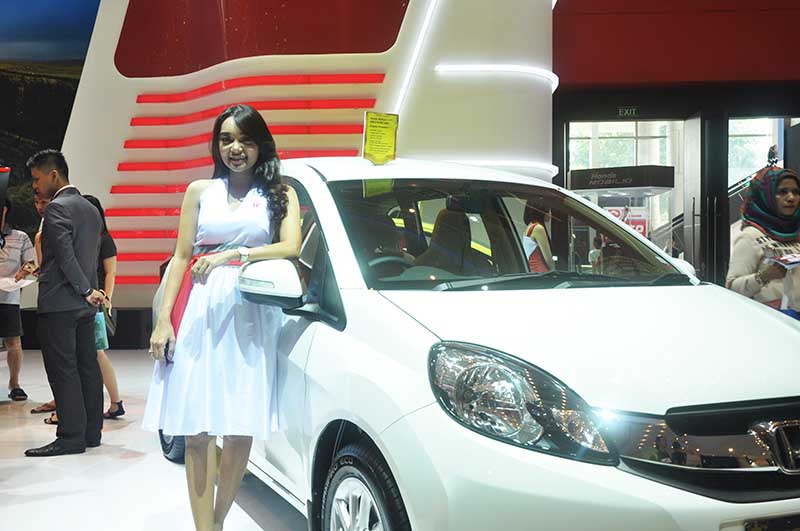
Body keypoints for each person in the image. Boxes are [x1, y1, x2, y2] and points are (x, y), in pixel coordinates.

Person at [143, 104, 301, 531]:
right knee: (195, 429)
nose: (235, 148)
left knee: (238, 428)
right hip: (199, 311)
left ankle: (217, 521)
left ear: (260, 145)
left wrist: (233, 255)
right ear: (216, 145)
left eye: (245, 140)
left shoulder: (281, 194)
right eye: (227, 139)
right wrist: (164, 319)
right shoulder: (199, 191)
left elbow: (290, 247)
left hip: (252, 312)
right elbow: (181, 257)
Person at [25, 149, 105, 457]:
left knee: (64, 371)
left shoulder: (56, 208)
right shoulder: (90, 208)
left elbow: (66, 257)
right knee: (87, 367)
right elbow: (90, 258)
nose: (34, 186)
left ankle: (70, 437)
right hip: (84, 306)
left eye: (36, 179)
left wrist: (84, 290)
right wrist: (90, 293)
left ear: (54, 174)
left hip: (60, 303)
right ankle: (91, 433)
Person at [726, 165, 800, 317]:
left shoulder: (796, 233)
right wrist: (765, 276)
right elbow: (732, 288)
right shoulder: (750, 237)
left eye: (796, 192)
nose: (791, 197)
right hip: (772, 321)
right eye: (782, 192)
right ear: (766, 196)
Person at [83, 194, 124, 419]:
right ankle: (114, 402)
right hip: (86, 299)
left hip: (96, 301)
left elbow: (111, 272)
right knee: (94, 353)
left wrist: (107, 298)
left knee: (97, 352)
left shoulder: (104, 239)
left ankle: (116, 401)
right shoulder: (85, 237)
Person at [0, 198, 37, 402]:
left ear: (5, 210)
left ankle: (14, 384)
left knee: (13, 342)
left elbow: (31, 262)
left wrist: (23, 272)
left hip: (9, 297)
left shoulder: (19, 237)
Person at [523, 197, 555, 272]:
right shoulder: (538, 228)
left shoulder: (530, 227)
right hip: (541, 272)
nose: (550, 214)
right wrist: (554, 272)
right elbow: (548, 259)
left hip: (534, 271)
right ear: (542, 212)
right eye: (548, 210)